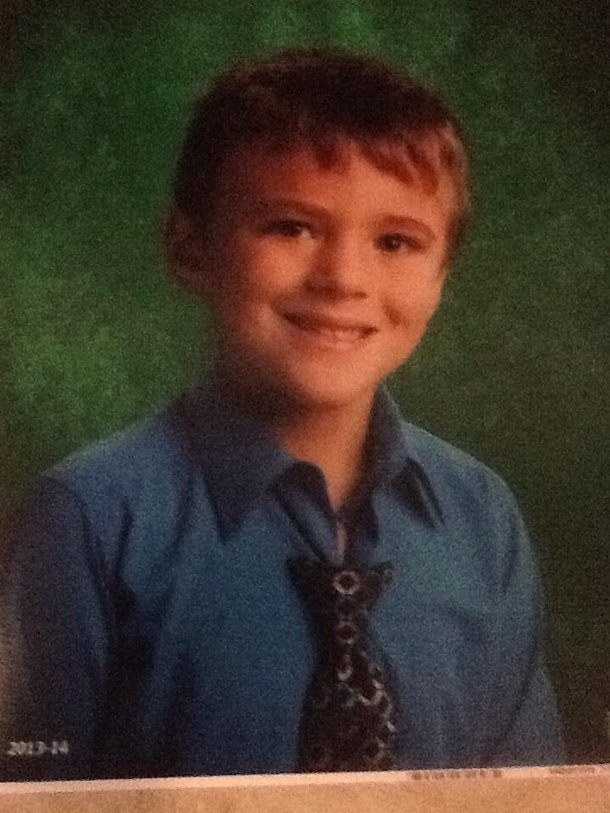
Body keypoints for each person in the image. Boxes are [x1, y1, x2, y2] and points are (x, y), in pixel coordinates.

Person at [0, 47, 564, 781]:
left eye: (395, 241)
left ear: (442, 277)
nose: (343, 279)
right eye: (291, 227)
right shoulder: (87, 519)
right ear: (190, 246)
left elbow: (532, 794)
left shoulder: (483, 517)